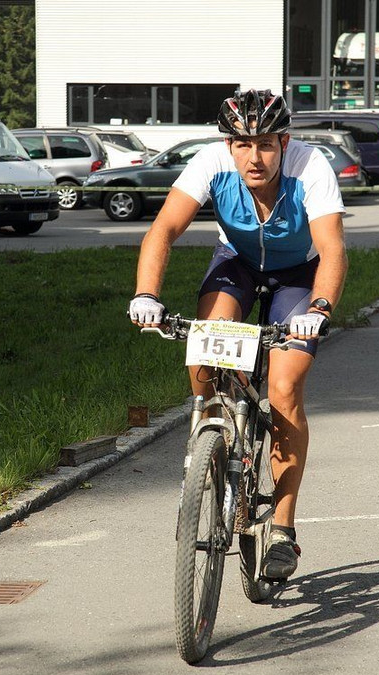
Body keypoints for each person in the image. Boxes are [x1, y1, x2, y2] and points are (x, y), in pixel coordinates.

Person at [128, 89, 348, 580]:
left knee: (284, 388)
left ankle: (282, 529)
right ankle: (213, 448)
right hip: (237, 265)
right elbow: (163, 230)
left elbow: (333, 249)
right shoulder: (210, 163)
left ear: (284, 142)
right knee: (203, 359)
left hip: (299, 276)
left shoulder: (311, 167)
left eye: (266, 144)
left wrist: (319, 307)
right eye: (243, 144)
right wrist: (146, 294)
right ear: (228, 145)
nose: (254, 157)